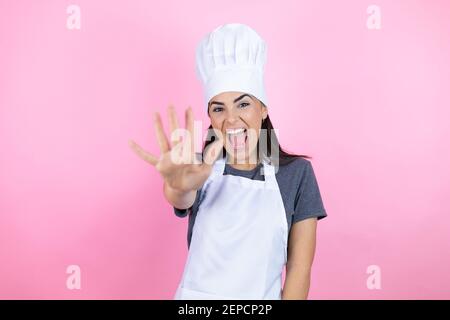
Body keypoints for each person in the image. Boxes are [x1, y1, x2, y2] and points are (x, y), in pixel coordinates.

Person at [129, 23, 327, 300]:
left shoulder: (297, 174)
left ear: (264, 107)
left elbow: (299, 268)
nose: (231, 119)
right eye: (219, 108)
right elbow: (181, 194)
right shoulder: (197, 167)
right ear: (210, 116)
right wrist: (180, 186)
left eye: (243, 104)